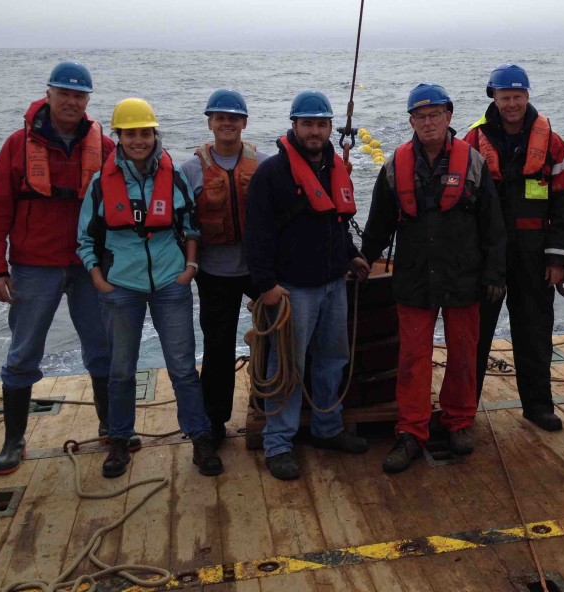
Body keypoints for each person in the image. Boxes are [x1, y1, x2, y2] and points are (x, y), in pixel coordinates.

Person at [0, 61, 116, 475]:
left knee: (103, 348)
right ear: (49, 94)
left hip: (89, 264)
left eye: (79, 95)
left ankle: (111, 426)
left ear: (88, 100)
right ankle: (13, 439)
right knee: (22, 354)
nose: (71, 101)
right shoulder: (17, 146)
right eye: (64, 93)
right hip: (34, 265)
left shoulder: (104, 147)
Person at [361, 83, 506, 474]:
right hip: (413, 278)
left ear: (449, 117)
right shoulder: (394, 165)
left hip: (464, 277)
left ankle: (459, 421)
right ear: (411, 121)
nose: (428, 123)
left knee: (463, 353)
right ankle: (411, 431)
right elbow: (378, 224)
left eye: (435, 115)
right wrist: (363, 259)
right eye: (421, 117)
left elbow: (493, 225)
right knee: (412, 358)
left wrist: (494, 272)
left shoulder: (473, 163)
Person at [78, 98, 224, 478]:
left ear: (154, 135)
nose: (139, 140)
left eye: (145, 133)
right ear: (119, 137)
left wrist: (189, 267)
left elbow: (190, 226)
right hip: (120, 287)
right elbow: (85, 238)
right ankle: (120, 442)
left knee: (182, 368)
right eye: (131, 133)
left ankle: (200, 438)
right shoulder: (101, 184)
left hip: (170, 284)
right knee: (121, 370)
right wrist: (97, 278)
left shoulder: (172, 178)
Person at [244, 90, 370, 481]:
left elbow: (336, 219)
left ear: (331, 127)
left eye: (321, 124)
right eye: (307, 124)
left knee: (333, 359)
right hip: (292, 290)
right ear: (294, 126)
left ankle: (327, 429)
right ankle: (278, 443)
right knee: (288, 366)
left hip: (334, 283)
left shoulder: (335, 166)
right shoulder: (271, 175)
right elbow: (257, 236)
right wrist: (265, 285)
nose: (315, 131)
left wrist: (351, 254)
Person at [463, 63, 564, 432]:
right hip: (487, 257)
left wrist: (558, 259)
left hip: (535, 256)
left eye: (517, 96)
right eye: (504, 97)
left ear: (528, 96)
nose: (511, 104)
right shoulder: (471, 141)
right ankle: (462, 412)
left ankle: (539, 407)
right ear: (493, 98)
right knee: (474, 336)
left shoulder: (553, 143)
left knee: (534, 332)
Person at [180, 89, 261, 449]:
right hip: (214, 273)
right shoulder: (190, 170)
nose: (227, 123)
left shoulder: (264, 163)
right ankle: (214, 421)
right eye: (220, 117)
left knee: (280, 335)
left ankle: (271, 403)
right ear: (210, 123)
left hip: (259, 269)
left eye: (234, 118)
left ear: (244, 123)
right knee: (217, 347)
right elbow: (180, 223)